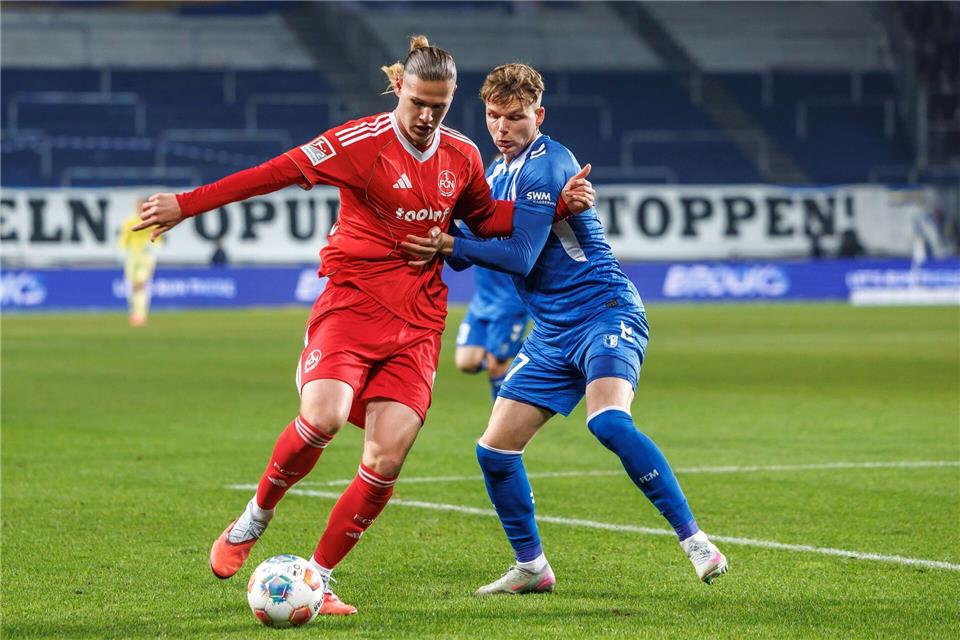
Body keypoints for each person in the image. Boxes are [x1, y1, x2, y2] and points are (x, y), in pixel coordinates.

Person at [133, 38, 595, 615]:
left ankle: (318, 580)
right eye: (419, 103)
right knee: (321, 418)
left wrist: (553, 207)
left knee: (385, 460)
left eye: (440, 106)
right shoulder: (359, 142)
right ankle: (256, 515)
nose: (427, 117)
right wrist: (187, 203)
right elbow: (272, 173)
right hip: (351, 307)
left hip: (420, 323)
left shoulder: (462, 154)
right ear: (400, 88)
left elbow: (483, 217)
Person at [405, 63, 727, 595]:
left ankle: (696, 542)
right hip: (552, 329)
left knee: (608, 423)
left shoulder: (548, 162)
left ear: (540, 115)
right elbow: (477, 252)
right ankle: (531, 567)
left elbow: (519, 254)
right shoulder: (495, 171)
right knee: (495, 450)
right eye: (492, 116)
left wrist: (449, 243)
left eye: (515, 117)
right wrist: (438, 231)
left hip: (605, 309)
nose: (502, 127)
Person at [454, 229, 530, 402]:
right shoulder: (477, 218)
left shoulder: (518, 222)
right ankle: (526, 346)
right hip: (481, 302)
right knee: (466, 362)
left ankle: (502, 426)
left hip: (509, 304)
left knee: (497, 364)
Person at [118, 202, 162, 326]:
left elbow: (158, 239)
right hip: (132, 256)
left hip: (146, 258)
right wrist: (122, 252)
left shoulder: (152, 221)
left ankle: (140, 315)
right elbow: (124, 238)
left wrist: (153, 251)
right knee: (132, 287)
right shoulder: (130, 221)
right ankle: (134, 313)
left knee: (140, 285)